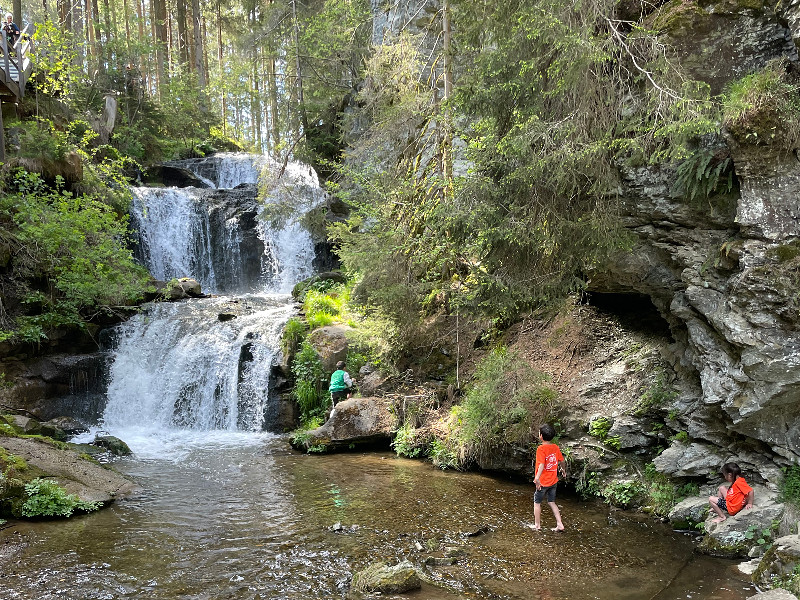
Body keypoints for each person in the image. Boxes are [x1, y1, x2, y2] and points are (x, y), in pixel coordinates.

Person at [532, 423, 565, 531]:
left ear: (541, 436)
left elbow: (541, 464)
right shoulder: (555, 447)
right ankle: (559, 524)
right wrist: (563, 469)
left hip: (543, 482)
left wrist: (537, 478)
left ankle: (537, 525)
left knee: (537, 503)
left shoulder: (541, 449)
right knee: (551, 502)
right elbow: (562, 460)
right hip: (553, 481)